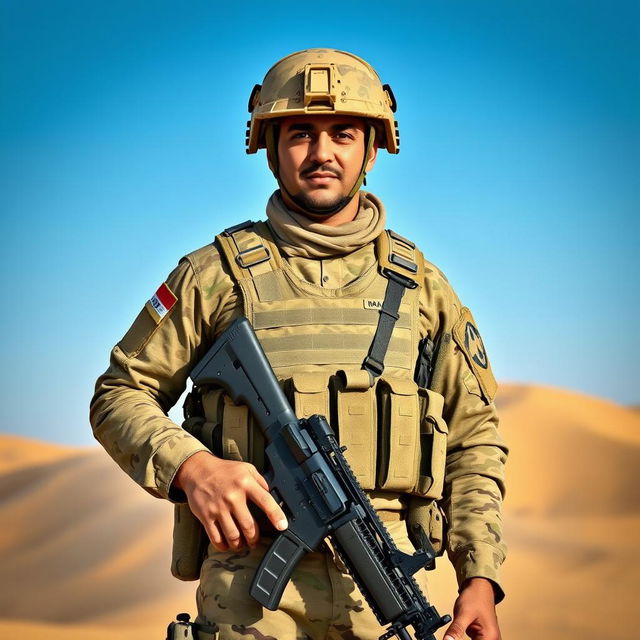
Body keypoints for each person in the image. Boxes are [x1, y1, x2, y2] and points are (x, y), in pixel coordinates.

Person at [90, 48, 508, 640]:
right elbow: (119, 393)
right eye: (299, 133)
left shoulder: (423, 288)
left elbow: (474, 439)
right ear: (268, 147)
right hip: (248, 587)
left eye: (343, 133)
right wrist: (193, 467)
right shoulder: (216, 274)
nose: (321, 153)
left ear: (372, 147)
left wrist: (480, 580)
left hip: (380, 581)